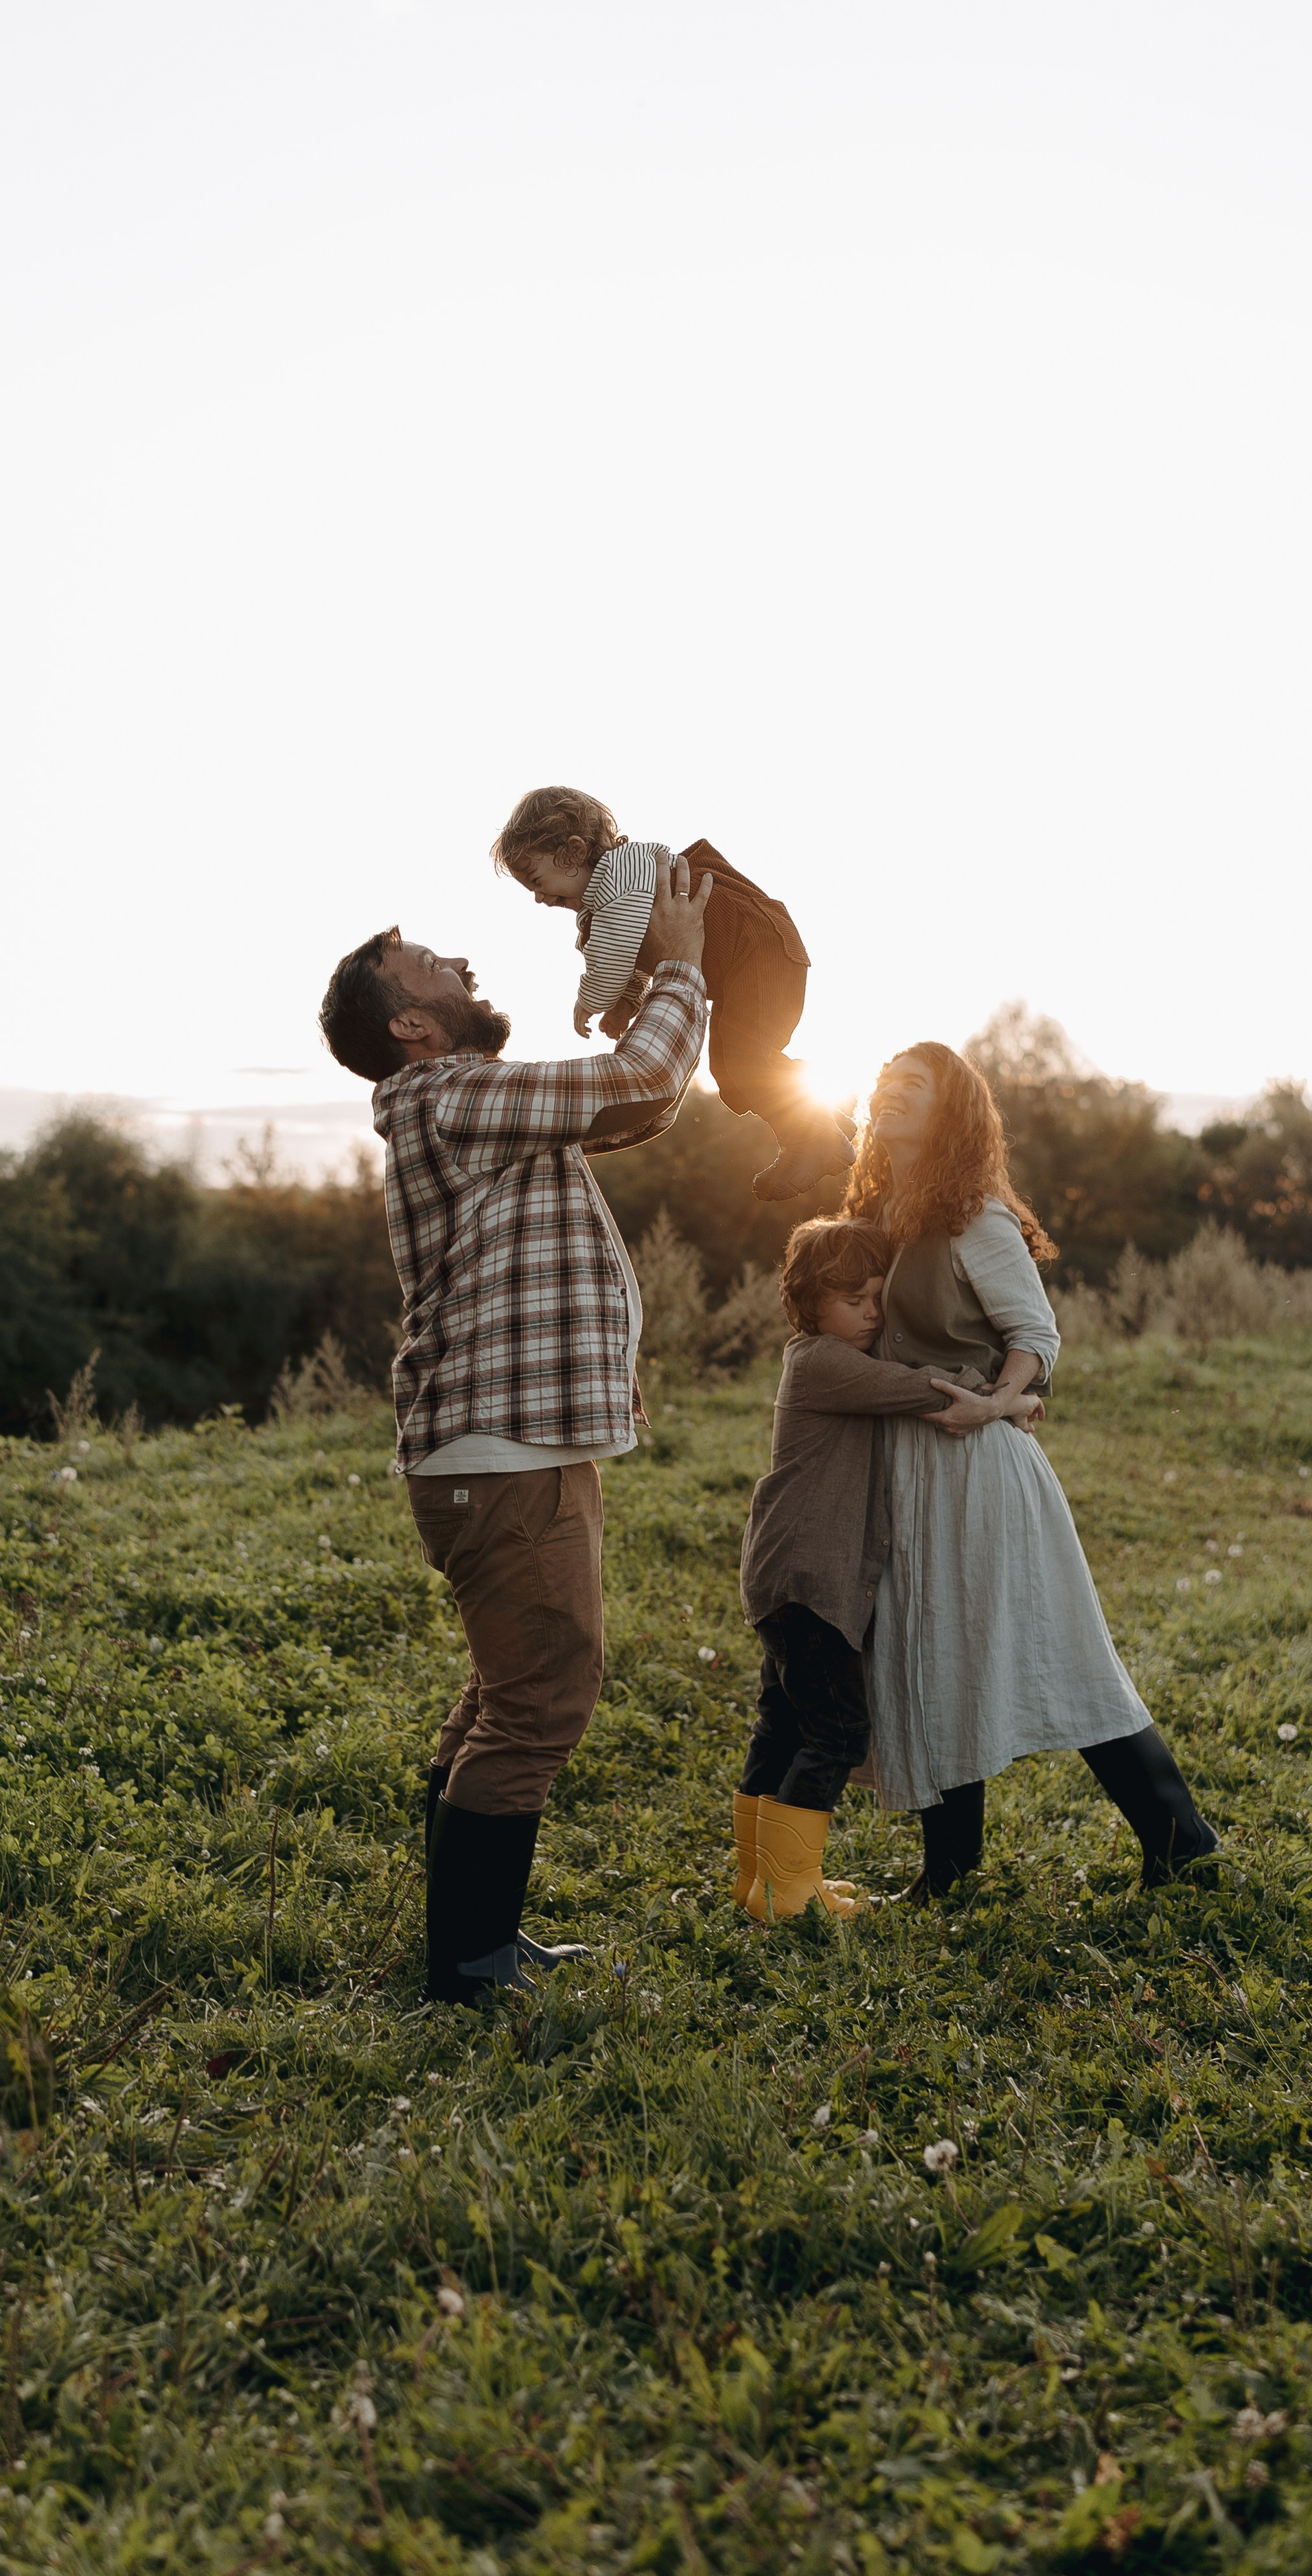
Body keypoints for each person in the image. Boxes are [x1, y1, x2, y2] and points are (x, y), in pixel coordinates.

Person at [317, 857, 712, 1999]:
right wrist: (681, 962)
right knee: (542, 1697)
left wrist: (658, 996)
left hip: (507, 1446)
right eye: (433, 966)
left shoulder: (465, 1107)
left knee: (509, 1691)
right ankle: (472, 1963)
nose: (463, 965)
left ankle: (473, 1939)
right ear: (414, 1025)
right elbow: (637, 1075)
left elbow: (640, 1097)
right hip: (500, 1452)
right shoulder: (456, 1096)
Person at [845, 1041, 1219, 1898]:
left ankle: (1181, 1840)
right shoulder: (878, 1210)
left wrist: (1001, 1401)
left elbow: (1035, 1335)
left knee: (1063, 1654)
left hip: (974, 1466)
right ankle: (949, 1869)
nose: (890, 1094)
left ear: (950, 1114)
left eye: (915, 1088)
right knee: (930, 1648)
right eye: (885, 1081)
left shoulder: (974, 1215)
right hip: (904, 1467)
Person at [733, 1217, 1041, 1922]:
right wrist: (1010, 1398)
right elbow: (926, 1388)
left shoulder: (820, 1357)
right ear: (808, 1303)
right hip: (810, 1581)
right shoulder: (824, 1363)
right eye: (853, 1301)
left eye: (877, 1297)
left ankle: (759, 1881)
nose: (872, 1313)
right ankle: (788, 1891)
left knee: (780, 1724)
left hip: (786, 1574)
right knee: (835, 1733)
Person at [491, 784, 854, 1200]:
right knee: (734, 1071)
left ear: (573, 853)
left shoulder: (619, 880)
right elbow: (634, 952)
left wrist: (589, 1002)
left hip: (760, 951)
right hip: (749, 962)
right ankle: (821, 1125)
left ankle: (810, 1140)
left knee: (742, 1061)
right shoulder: (613, 902)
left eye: (537, 880)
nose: (538, 898)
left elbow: (610, 959)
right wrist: (626, 1004)